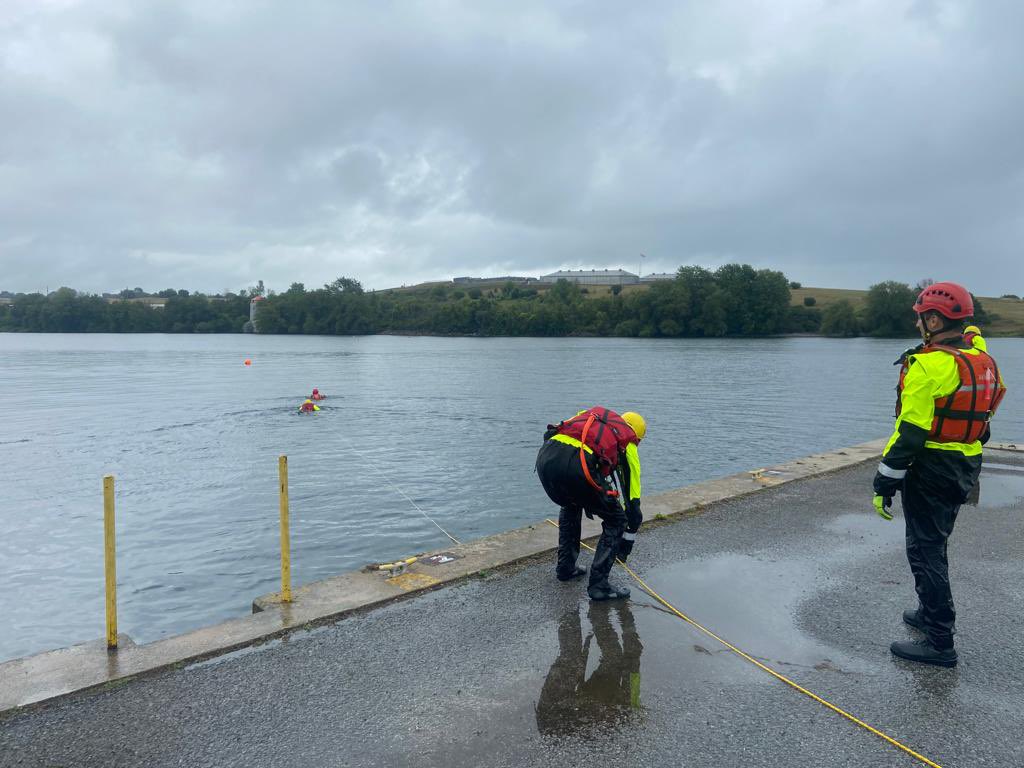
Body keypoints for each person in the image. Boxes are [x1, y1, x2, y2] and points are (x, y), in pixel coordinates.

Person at [873, 281, 1006, 667]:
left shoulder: (928, 365)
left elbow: (910, 434)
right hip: (967, 462)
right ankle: (928, 614)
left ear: (933, 319)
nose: (918, 326)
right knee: (934, 542)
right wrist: (972, 330)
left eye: (921, 318)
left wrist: (884, 480)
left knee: (925, 548)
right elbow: (979, 354)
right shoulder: (983, 360)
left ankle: (939, 640)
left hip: (931, 467)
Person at [536, 407, 645, 601]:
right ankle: (599, 586)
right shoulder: (628, 441)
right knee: (616, 520)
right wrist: (626, 544)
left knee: (571, 503)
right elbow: (633, 503)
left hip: (546, 456)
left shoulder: (593, 417)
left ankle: (566, 568)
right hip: (577, 465)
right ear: (637, 436)